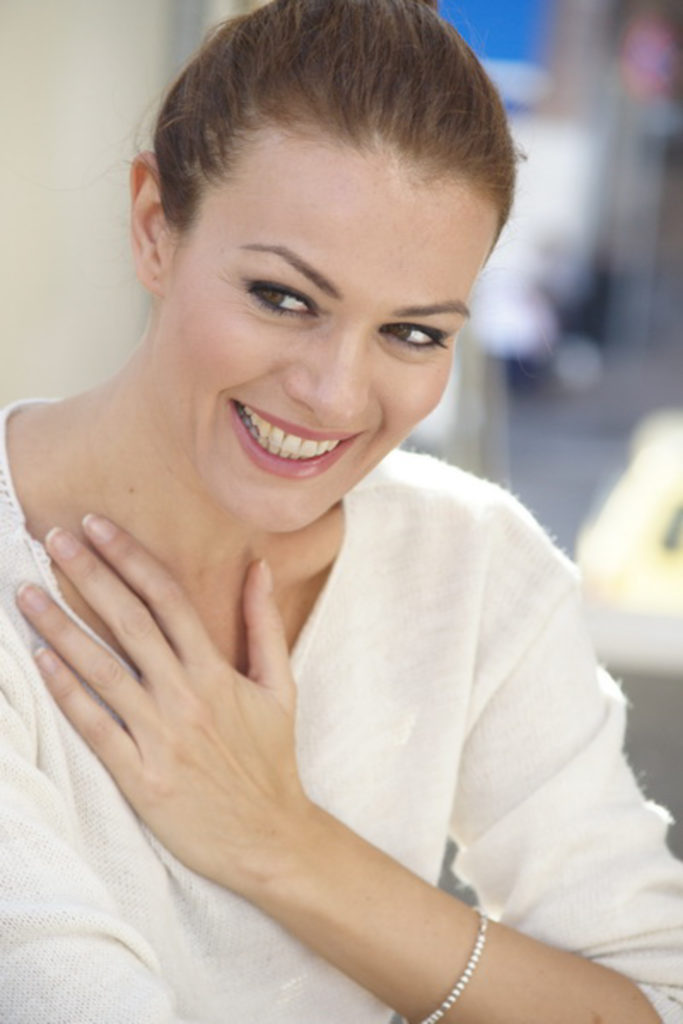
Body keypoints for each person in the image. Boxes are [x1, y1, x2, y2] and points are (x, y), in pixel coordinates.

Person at [1, 1, 682, 1021]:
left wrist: (281, 842)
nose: (333, 395)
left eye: (412, 333)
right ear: (154, 227)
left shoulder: (468, 565)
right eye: (282, 297)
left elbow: (652, 997)